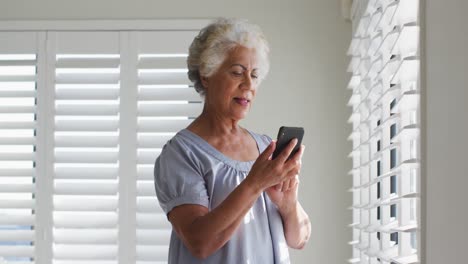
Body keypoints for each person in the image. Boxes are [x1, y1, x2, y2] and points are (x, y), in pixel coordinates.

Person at [154, 18, 311, 264]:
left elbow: (299, 239)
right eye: (237, 72)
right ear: (206, 75)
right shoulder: (181, 154)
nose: (248, 84)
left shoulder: (265, 148)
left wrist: (288, 204)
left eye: (255, 75)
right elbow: (200, 243)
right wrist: (255, 184)